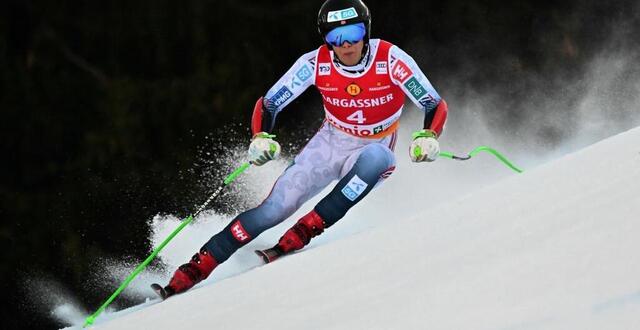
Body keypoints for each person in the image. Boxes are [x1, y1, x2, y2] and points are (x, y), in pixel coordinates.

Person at [157, 0, 448, 298]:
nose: (346, 45)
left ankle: (305, 230)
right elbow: (269, 103)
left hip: (374, 144)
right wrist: (261, 137)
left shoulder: (390, 59)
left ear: (367, 31)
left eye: (355, 33)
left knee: (379, 159)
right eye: (336, 38)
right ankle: (197, 266)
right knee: (273, 210)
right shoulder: (315, 63)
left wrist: (428, 134)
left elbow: (433, 104)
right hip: (330, 144)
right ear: (326, 39)